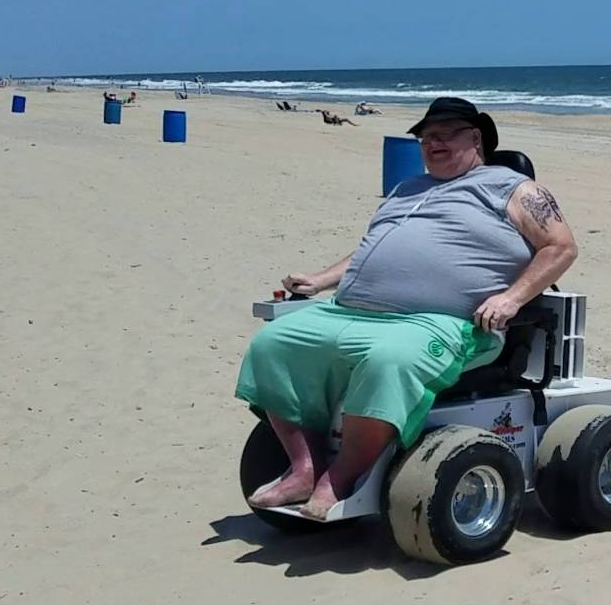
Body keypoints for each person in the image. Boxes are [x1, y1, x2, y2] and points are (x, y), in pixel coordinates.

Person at [235, 96, 579, 519]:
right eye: (426, 136)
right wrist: (322, 279)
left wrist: (510, 298)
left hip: (447, 324)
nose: (433, 142)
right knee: (273, 343)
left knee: (389, 359)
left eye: (446, 133)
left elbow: (560, 248)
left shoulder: (512, 187)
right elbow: (373, 251)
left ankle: (340, 478)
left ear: (476, 138)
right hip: (354, 312)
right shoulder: (408, 189)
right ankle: (304, 468)